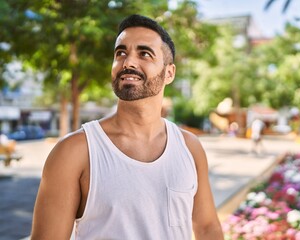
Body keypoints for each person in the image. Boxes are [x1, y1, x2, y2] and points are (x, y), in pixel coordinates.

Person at [31, 14, 224, 240]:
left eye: (144, 54)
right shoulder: (74, 152)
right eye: (120, 53)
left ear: (169, 73)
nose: (128, 62)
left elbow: (208, 227)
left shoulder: (190, 148)